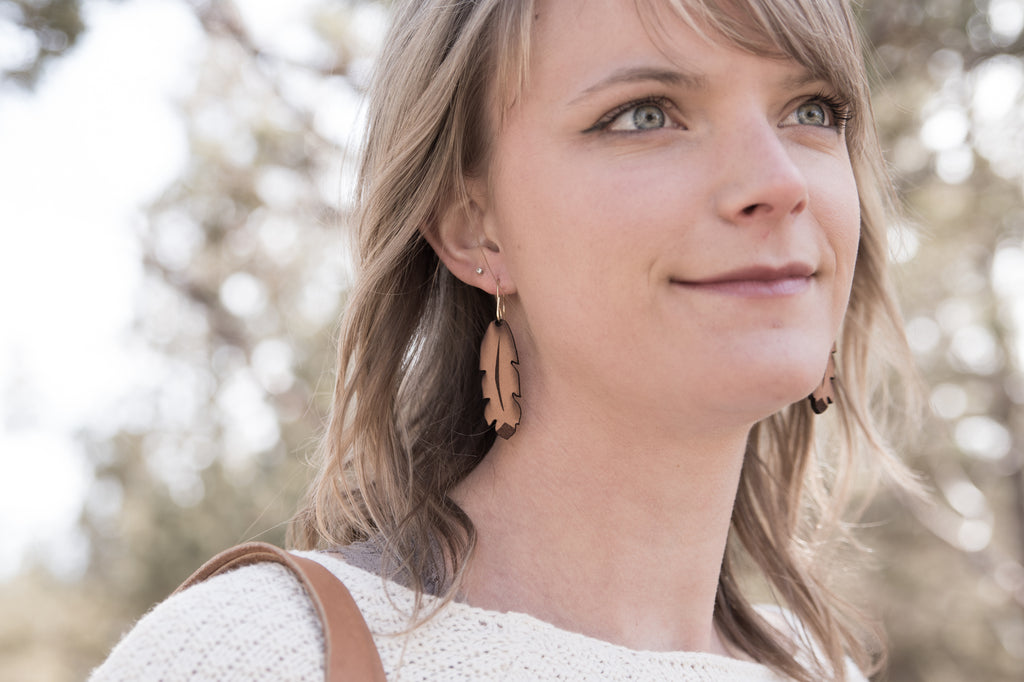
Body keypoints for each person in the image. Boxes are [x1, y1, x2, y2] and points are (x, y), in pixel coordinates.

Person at [90, 0, 920, 680]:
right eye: (645, 115)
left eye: (813, 110)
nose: (777, 181)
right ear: (471, 225)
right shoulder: (254, 659)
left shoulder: (824, 669)